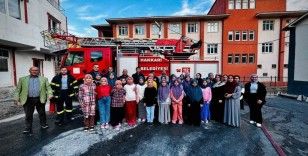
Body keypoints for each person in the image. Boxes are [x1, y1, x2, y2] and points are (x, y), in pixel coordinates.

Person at [14, 67, 52, 135]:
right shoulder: (22, 79)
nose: (34, 71)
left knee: (42, 113)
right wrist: (16, 98)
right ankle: (28, 127)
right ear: (30, 71)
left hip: (40, 98)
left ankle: (43, 124)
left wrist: (50, 94)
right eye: (33, 70)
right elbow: (18, 90)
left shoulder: (44, 79)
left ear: (38, 71)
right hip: (28, 99)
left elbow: (48, 87)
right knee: (28, 114)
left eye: (36, 70)